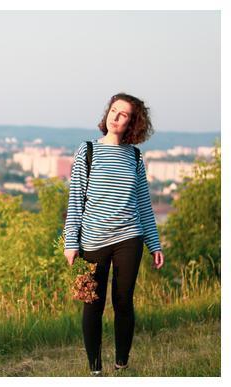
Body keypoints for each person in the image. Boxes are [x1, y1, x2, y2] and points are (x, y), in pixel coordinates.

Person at [63, 93, 165, 376]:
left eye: (123, 114)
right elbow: (75, 200)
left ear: (133, 123)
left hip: (129, 237)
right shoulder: (88, 151)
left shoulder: (134, 156)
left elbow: (143, 202)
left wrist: (154, 243)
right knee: (92, 304)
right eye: (113, 110)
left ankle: (122, 364)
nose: (115, 117)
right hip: (93, 240)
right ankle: (95, 369)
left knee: (123, 301)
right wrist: (71, 241)